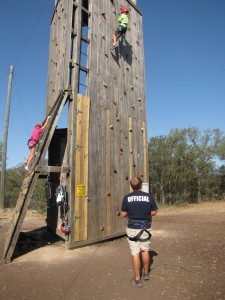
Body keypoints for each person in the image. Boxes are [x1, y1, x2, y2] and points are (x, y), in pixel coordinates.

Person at [120, 176, 158, 288]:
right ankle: (146, 273)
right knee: (145, 250)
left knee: (135, 252)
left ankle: (137, 279)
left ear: (131, 186)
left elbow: (123, 215)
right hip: (145, 228)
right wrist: (146, 212)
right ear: (141, 185)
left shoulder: (127, 198)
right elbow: (154, 212)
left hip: (133, 228)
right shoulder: (148, 197)